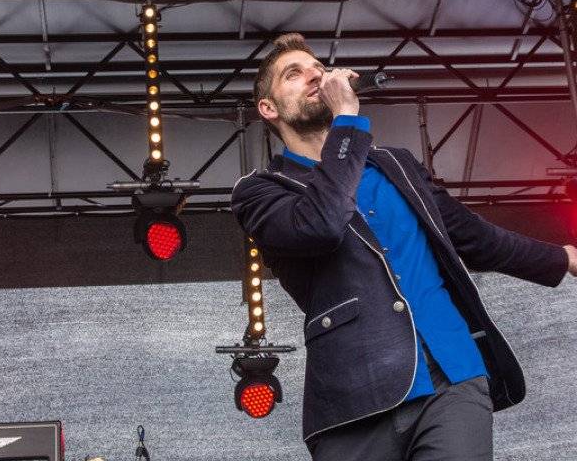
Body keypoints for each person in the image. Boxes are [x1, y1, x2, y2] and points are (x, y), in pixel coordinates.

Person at [230, 33, 577, 461]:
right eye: (294, 74)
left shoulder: (397, 166)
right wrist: (347, 123)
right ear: (269, 109)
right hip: (354, 398)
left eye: (318, 68)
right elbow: (321, 225)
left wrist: (563, 256)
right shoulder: (262, 192)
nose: (314, 76)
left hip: (453, 374)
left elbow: (473, 237)